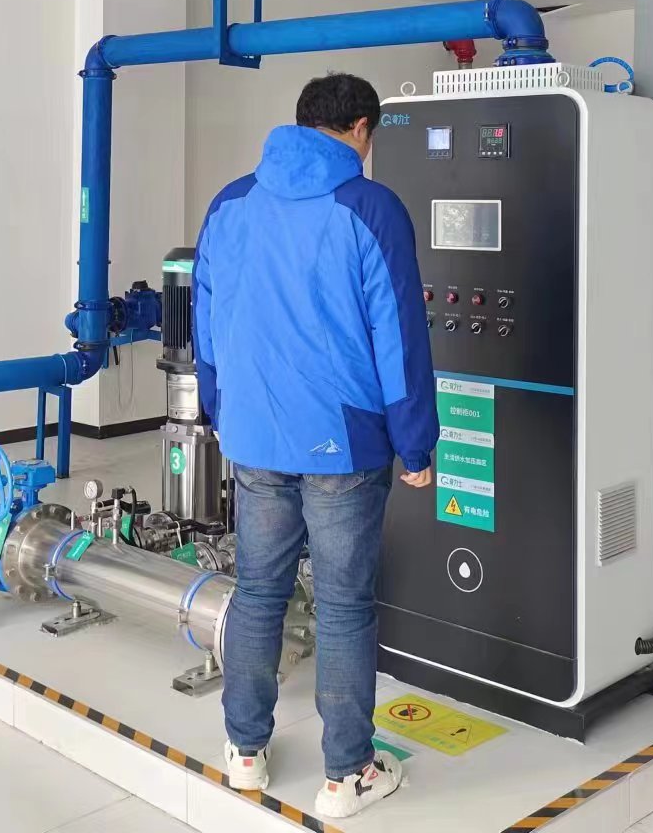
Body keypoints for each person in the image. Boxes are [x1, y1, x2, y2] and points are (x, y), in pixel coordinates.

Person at [194, 73, 436, 820]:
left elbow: (208, 322)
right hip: (344, 443)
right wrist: (416, 442)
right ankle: (348, 773)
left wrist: (220, 409)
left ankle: (243, 753)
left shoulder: (231, 203)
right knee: (342, 605)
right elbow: (399, 336)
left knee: (258, 591)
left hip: (253, 436)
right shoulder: (371, 208)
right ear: (361, 129)